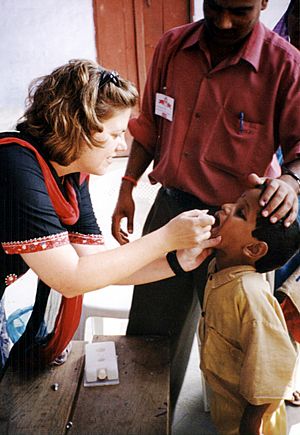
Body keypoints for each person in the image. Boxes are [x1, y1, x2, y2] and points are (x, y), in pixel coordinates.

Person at [111, 0, 300, 411]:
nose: (225, 21)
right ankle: (144, 416)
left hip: (240, 227)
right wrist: (127, 185)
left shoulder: (285, 65)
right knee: (150, 332)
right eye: (215, 7)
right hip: (172, 211)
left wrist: (291, 180)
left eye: (240, 10)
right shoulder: (173, 47)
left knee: (240, 342)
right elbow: (149, 125)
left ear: (265, 2)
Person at [0, 59, 220, 378]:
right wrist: (165, 238)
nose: (121, 146)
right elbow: (70, 277)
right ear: (78, 127)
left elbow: (94, 265)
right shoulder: (15, 167)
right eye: (116, 133)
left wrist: (176, 262)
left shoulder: (71, 177)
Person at [198, 184, 300, 435]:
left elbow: (272, 366)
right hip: (228, 406)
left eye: (240, 212)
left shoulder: (250, 296)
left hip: (253, 424)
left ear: (254, 249)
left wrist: (251, 424)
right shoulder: (217, 266)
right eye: (236, 202)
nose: (226, 206)